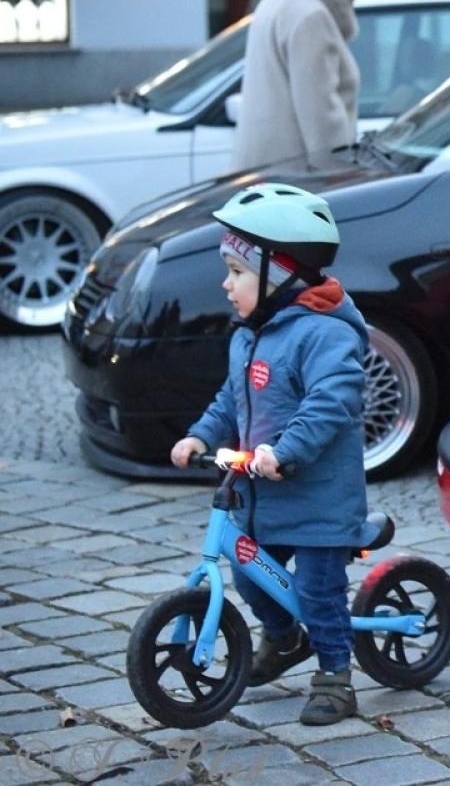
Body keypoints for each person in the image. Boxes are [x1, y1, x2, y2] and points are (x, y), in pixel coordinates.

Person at [169, 182, 368, 727]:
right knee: (250, 572)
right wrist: (201, 436)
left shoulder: (325, 335)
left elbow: (331, 402)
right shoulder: (249, 335)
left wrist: (284, 451)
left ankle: (335, 675)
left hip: (320, 500)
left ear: (279, 273)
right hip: (263, 496)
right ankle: (284, 639)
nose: (226, 284)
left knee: (318, 591)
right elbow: (231, 400)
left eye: (237, 271)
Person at [233, 0, 371, 172]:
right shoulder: (311, 16)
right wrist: (341, 171)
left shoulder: (275, 1)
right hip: (300, 178)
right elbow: (322, 116)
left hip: (265, 171)